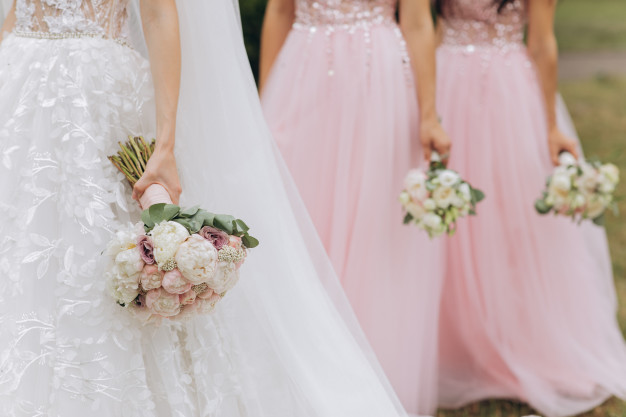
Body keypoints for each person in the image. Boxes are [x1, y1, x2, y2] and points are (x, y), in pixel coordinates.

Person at [0, 1, 417, 415]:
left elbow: (160, 13)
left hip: (96, 94)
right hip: (17, 82)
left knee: (94, 251)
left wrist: (165, 144)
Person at [434, 0, 626, 415]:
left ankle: (518, 340)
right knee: (447, 222)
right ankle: (455, 343)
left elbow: (541, 42)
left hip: (507, 95)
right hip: (443, 86)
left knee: (511, 220)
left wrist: (551, 125)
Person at [259, 0, 449, 414]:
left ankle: (367, 377)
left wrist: (429, 114)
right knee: (295, 214)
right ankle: (297, 367)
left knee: (371, 225)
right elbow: (278, 11)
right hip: (301, 75)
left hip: (376, 79)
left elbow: (417, 21)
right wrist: (261, 100)